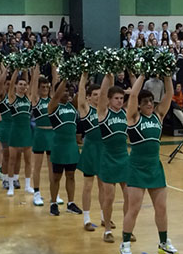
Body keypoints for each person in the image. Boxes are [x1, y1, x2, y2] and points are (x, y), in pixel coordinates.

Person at [120, 74, 178, 254]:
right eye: (145, 102)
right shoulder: (133, 117)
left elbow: (169, 93)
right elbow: (134, 95)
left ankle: (163, 242)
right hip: (137, 166)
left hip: (155, 167)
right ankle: (125, 243)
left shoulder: (158, 116)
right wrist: (143, 75)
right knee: (134, 209)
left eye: (151, 101)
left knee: (161, 208)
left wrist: (167, 74)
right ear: (139, 104)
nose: (150, 104)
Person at [97, 74, 131, 243]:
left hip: (124, 157)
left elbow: (136, 96)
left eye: (121, 98)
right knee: (109, 197)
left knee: (129, 197)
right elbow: (103, 93)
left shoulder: (125, 113)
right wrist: (108, 74)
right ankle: (108, 230)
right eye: (116, 98)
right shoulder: (103, 113)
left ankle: (127, 229)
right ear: (109, 100)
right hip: (108, 157)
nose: (119, 101)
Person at [48, 79, 82, 216]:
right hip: (58, 146)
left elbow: (81, 93)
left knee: (71, 175)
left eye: (68, 90)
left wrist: (82, 76)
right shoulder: (53, 106)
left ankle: (71, 203)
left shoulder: (73, 106)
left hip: (71, 146)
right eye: (64, 90)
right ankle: (53, 203)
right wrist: (66, 77)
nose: (67, 93)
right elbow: (56, 95)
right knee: (56, 177)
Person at [30, 64, 63, 206]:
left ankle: (54, 194)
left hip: (52, 134)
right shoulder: (36, 99)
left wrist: (54, 64)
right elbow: (33, 82)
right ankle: (36, 193)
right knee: (37, 166)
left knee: (52, 167)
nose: (45, 89)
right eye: (42, 87)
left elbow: (56, 81)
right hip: (39, 133)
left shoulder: (52, 100)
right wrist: (37, 65)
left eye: (46, 87)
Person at [77, 73, 104, 232]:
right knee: (88, 185)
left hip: (104, 149)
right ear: (88, 97)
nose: (98, 97)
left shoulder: (105, 110)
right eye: (95, 95)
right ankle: (86, 218)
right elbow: (81, 91)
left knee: (104, 186)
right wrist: (84, 75)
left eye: (100, 95)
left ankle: (104, 216)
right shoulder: (85, 109)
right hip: (90, 148)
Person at [6, 69, 33, 196]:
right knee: (12, 159)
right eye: (20, 84)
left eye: (24, 85)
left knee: (28, 159)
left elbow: (34, 81)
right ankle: (11, 186)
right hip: (15, 130)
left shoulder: (29, 98)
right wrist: (16, 69)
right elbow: (11, 85)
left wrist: (35, 67)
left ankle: (27, 185)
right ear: (17, 86)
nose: (22, 87)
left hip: (26, 130)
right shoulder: (12, 97)